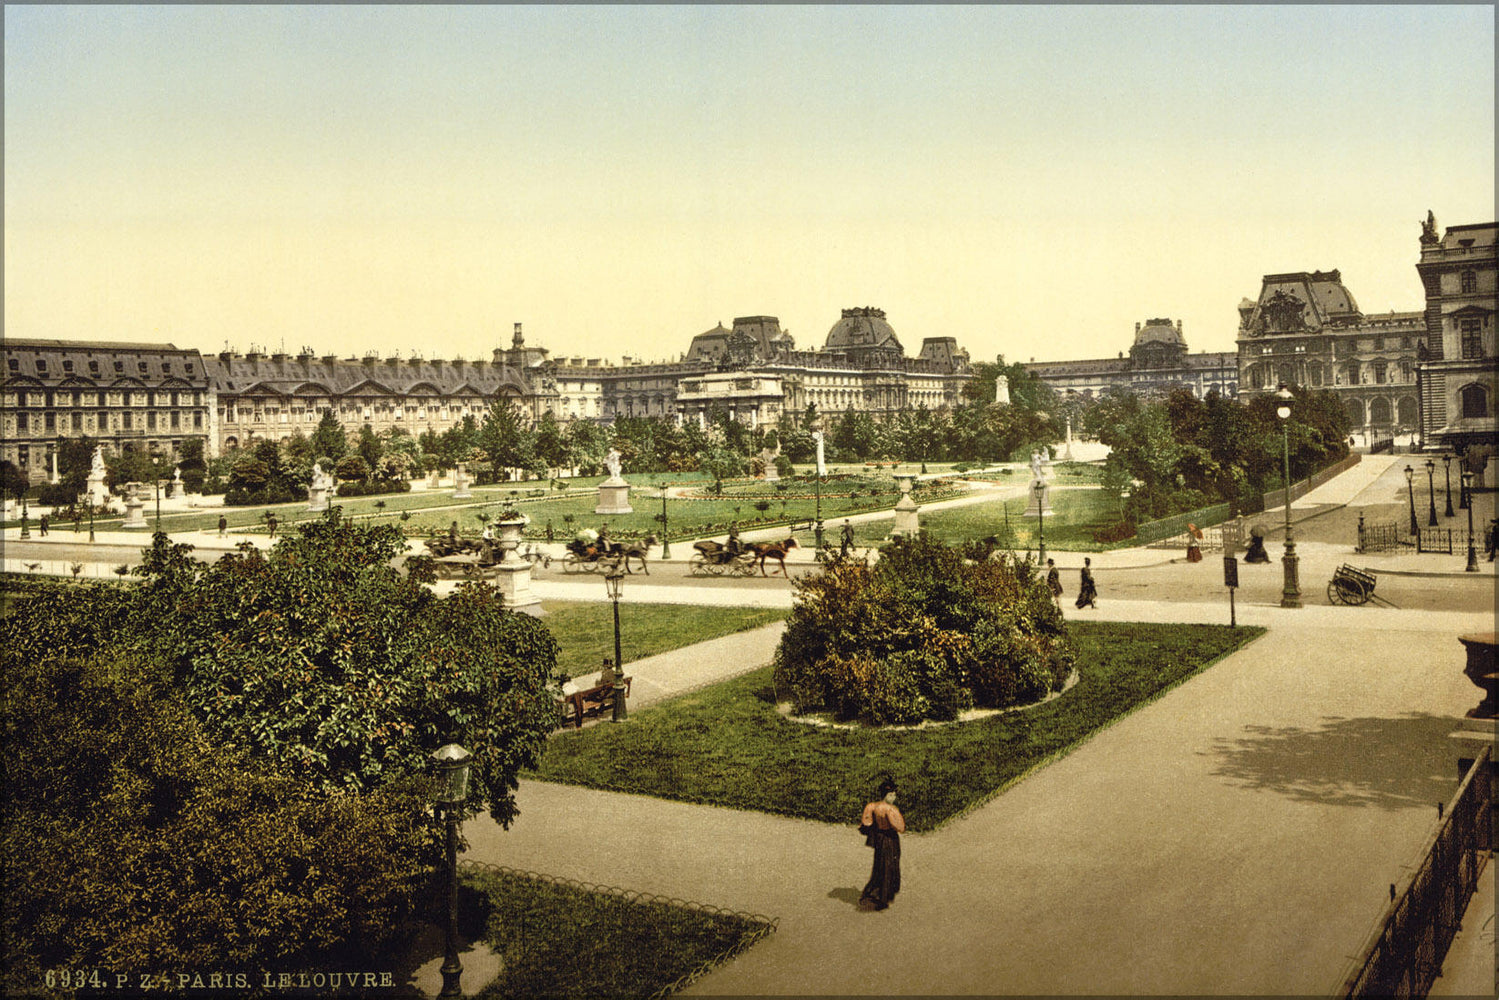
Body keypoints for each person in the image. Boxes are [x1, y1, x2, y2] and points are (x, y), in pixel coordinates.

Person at [858, 776, 905, 911]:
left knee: (879, 864)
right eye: (892, 794)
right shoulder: (890, 810)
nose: (894, 797)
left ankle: (872, 891)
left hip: (879, 838)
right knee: (889, 865)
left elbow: (866, 823)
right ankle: (884, 896)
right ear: (887, 795)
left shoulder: (872, 806)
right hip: (889, 838)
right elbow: (900, 828)